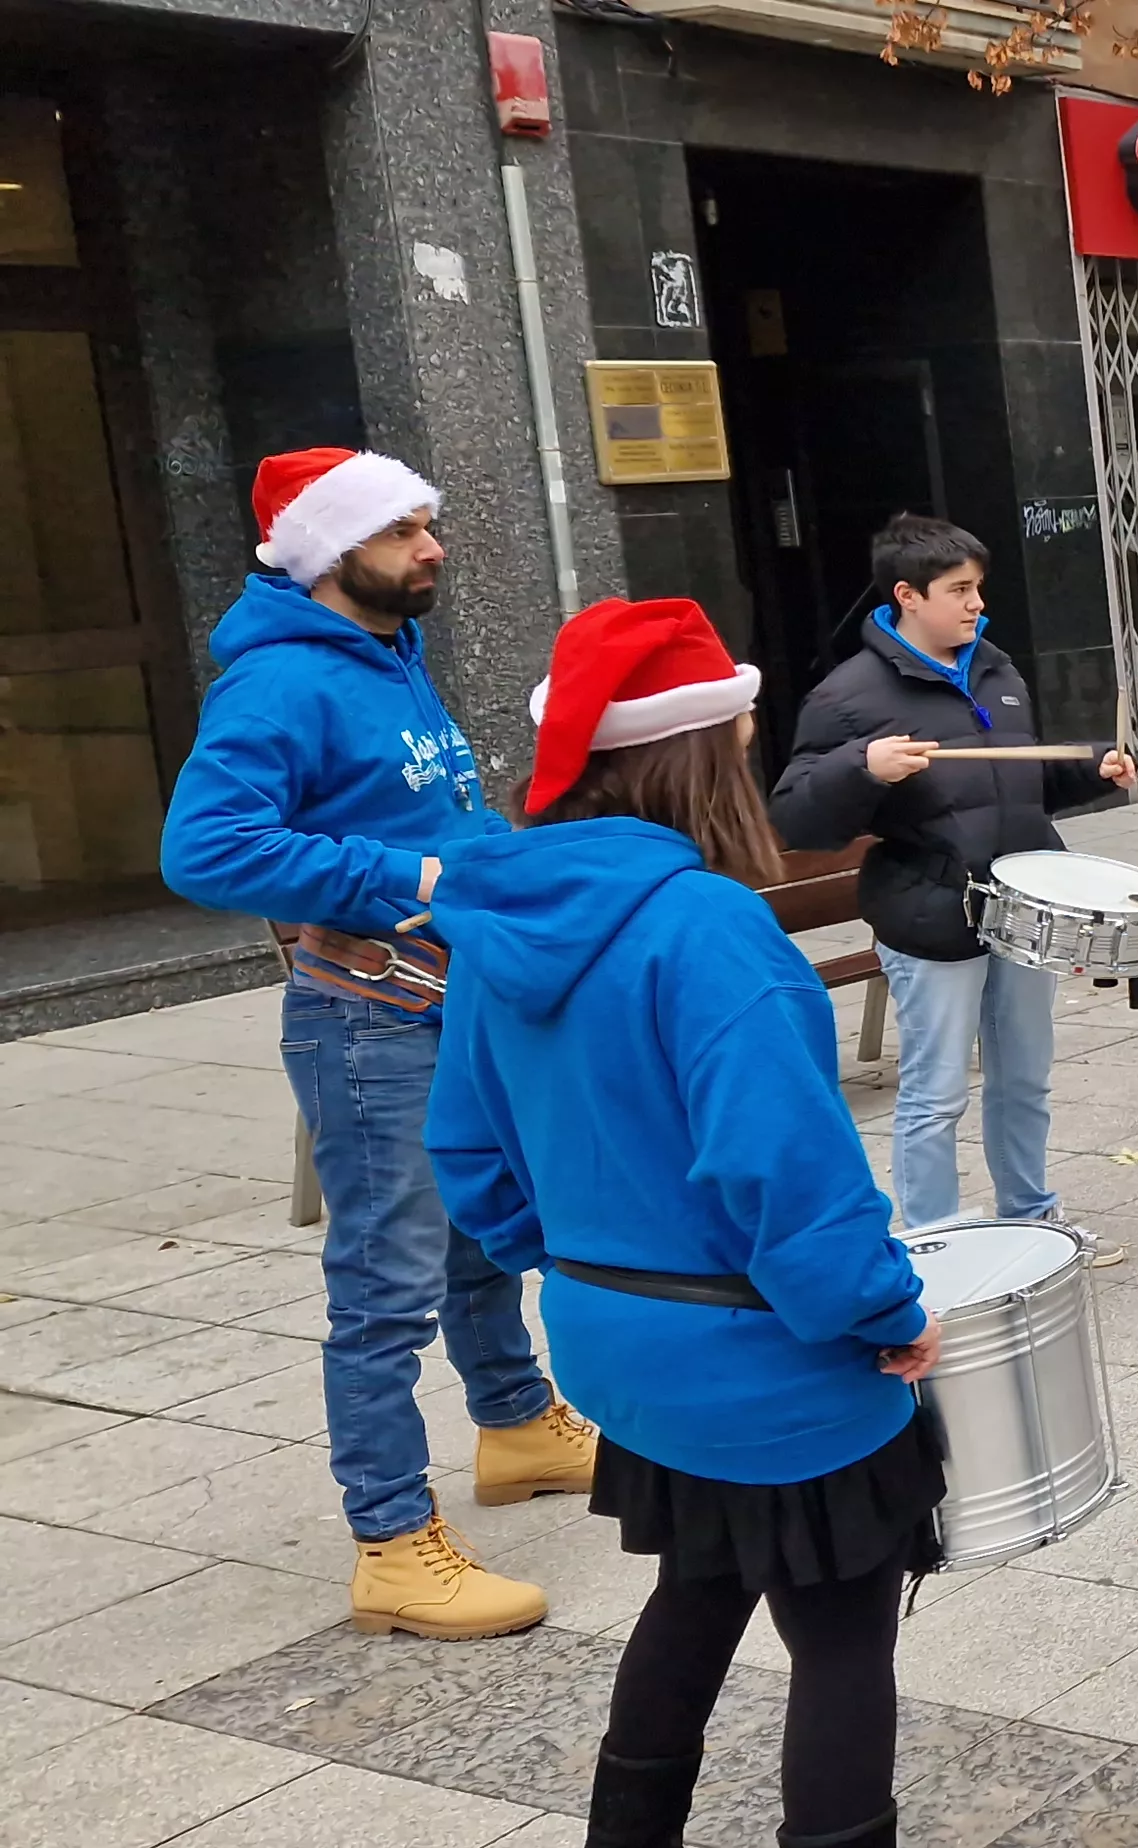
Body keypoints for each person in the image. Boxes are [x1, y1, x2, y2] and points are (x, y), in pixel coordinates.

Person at [426, 597, 940, 1848]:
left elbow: (471, 1159)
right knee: (840, 1639)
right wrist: (884, 1313)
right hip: (766, 1359)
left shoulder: (497, 925)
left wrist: (584, 1265)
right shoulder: (707, 928)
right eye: (743, 738)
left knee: (701, 1584)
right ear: (696, 752)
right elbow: (787, 1179)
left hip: (614, 1341)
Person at [159, 447, 592, 1642]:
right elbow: (205, 849)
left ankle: (515, 1428)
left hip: (447, 1004)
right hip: (368, 1024)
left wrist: (501, 862)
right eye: (402, 530)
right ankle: (393, 1544)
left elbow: (429, 814)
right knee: (385, 1285)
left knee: (481, 1238)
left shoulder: (389, 655)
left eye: (428, 523)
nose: (432, 546)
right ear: (327, 551)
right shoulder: (280, 681)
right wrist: (410, 876)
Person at [770, 515, 1138, 1231]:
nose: (977, 604)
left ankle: (1031, 1216)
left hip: (1026, 910)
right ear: (908, 595)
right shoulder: (847, 697)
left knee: (1024, 1080)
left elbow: (1018, 785)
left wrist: (1094, 767)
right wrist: (862, 768)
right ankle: (934, 1241)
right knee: (936, 1095)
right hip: (931, 914)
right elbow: (797, 819)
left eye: (978, 587)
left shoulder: (996, 670)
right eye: (959, 590)